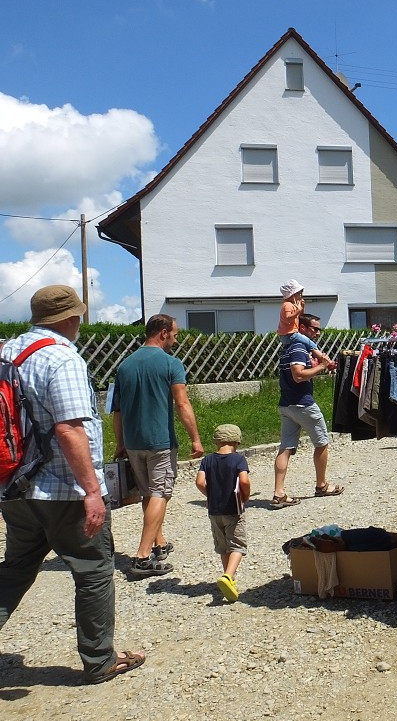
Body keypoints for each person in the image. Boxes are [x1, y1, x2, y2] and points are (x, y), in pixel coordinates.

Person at [0, 285, 145, 683]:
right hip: (62, 488)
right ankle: (99, 661)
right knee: (94, 569)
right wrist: (93, 492)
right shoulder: (61, 358)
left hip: (13, 484)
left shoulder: (6, 353)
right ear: (69, 319)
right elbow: (69, 429)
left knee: (16, 568)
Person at [112, 314, 204, 577]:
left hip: (132, 442)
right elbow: (182, 403)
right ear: (163, 333)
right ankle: (142, 557)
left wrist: (120, 443)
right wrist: (195, 438)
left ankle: (158, 542)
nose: (176, 338)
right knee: (160, 493)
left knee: (148, 493)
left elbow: (116, 411)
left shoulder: (124, 366)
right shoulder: (171, 364)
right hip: (160, 442)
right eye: (174, 333)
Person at [272, 313, 343, 506]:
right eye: (314, 329)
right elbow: (298, 375)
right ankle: (321, 485)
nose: (318, 333)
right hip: (303, 404)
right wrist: (321, 366)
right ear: (302, 328)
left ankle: (279, 493)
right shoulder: (298, 347)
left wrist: (317, 367)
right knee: (321, 443)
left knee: (285, 448)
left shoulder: (287, 347)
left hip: (286, 404)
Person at [195, 424, 251, 603]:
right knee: (237, 545)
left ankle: (229, 580)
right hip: (233, 509)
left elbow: (199, 481)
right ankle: (227, 576)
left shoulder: (207, 460)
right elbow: (243, 480)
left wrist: (209, 494)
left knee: (223, 545)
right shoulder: (239, 460)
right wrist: (246, 495)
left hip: (214, 510)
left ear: (217, 441)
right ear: (237, 442)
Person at [278, 280, 333, 367]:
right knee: (311, 344)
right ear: (292, 294)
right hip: (289, 335)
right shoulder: (287, 305)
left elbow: (299, 317)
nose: (301, 295)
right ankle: (327, 362)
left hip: (290, 334)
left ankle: (313, 361)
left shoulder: (292, 305)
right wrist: (299, 309)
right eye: (298, 293)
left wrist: (302, 308)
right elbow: (288, 319)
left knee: (307, 346)